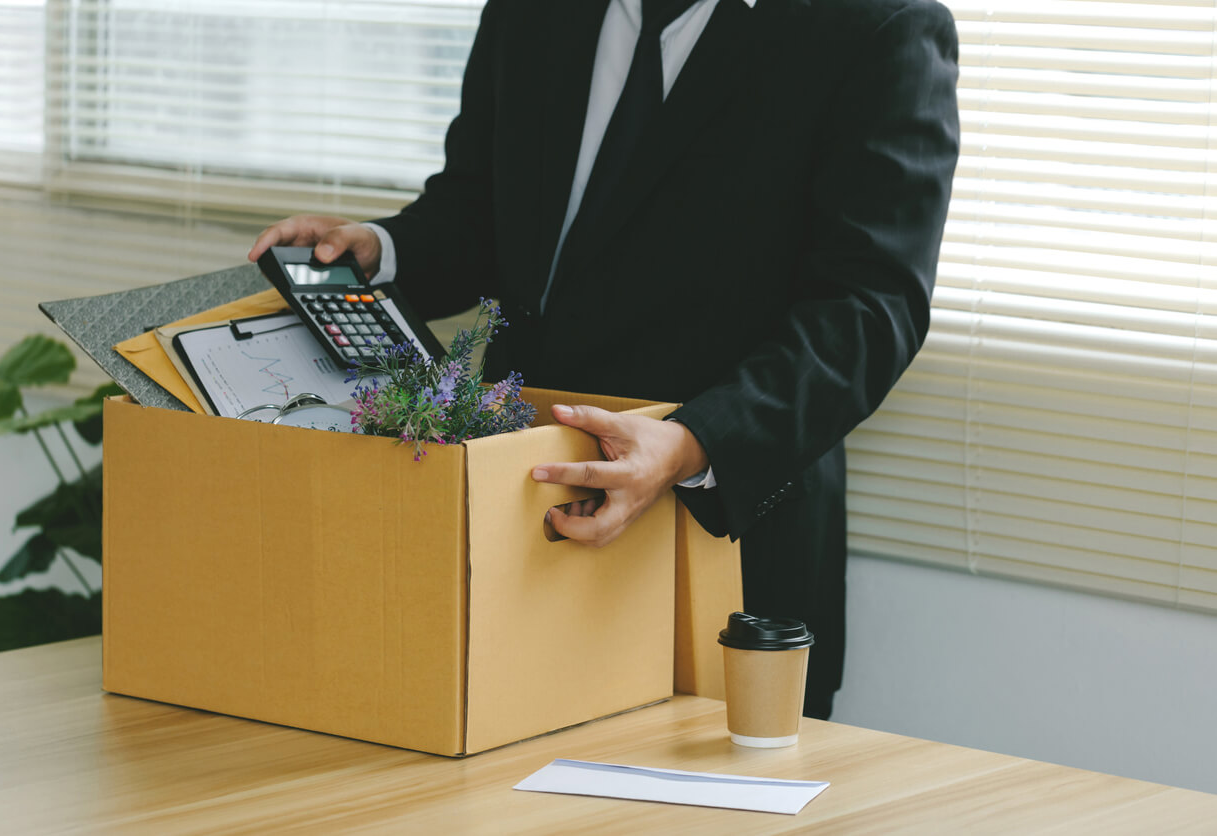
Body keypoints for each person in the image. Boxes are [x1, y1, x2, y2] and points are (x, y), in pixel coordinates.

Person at [249, 0, 960, 720]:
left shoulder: (876, 27)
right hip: (517, 520)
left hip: (721, 537)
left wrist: (694, 442)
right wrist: (382, 249)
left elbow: (870, 309)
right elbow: (483, 210)